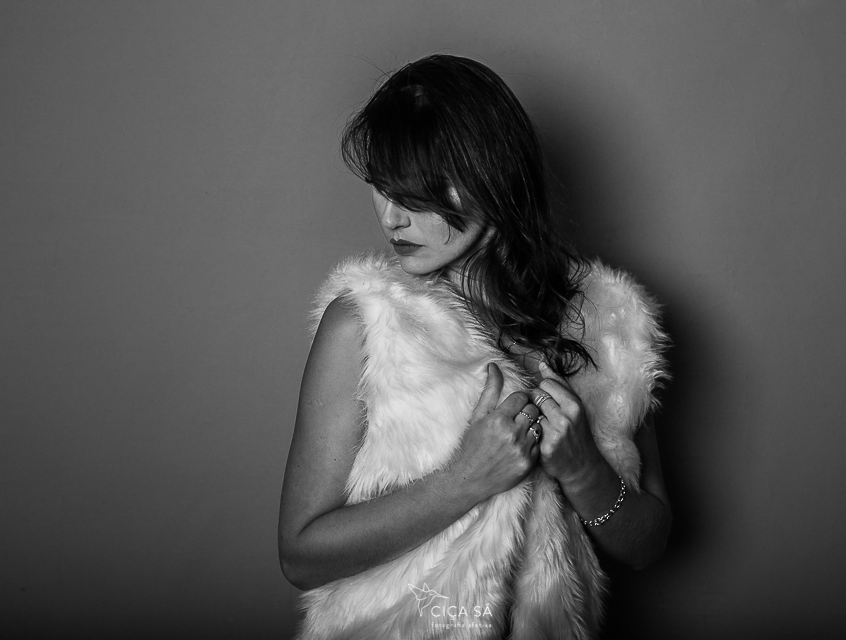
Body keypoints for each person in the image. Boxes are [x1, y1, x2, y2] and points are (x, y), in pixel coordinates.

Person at [278, 54, 671, 640]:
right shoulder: (365, 324)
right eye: (382, 187)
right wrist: (465, 479)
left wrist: (585, 469)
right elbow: (300, 554)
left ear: (493, 176)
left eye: (417, 192)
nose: (392, 218)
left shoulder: (610, 325)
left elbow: (648, 545)